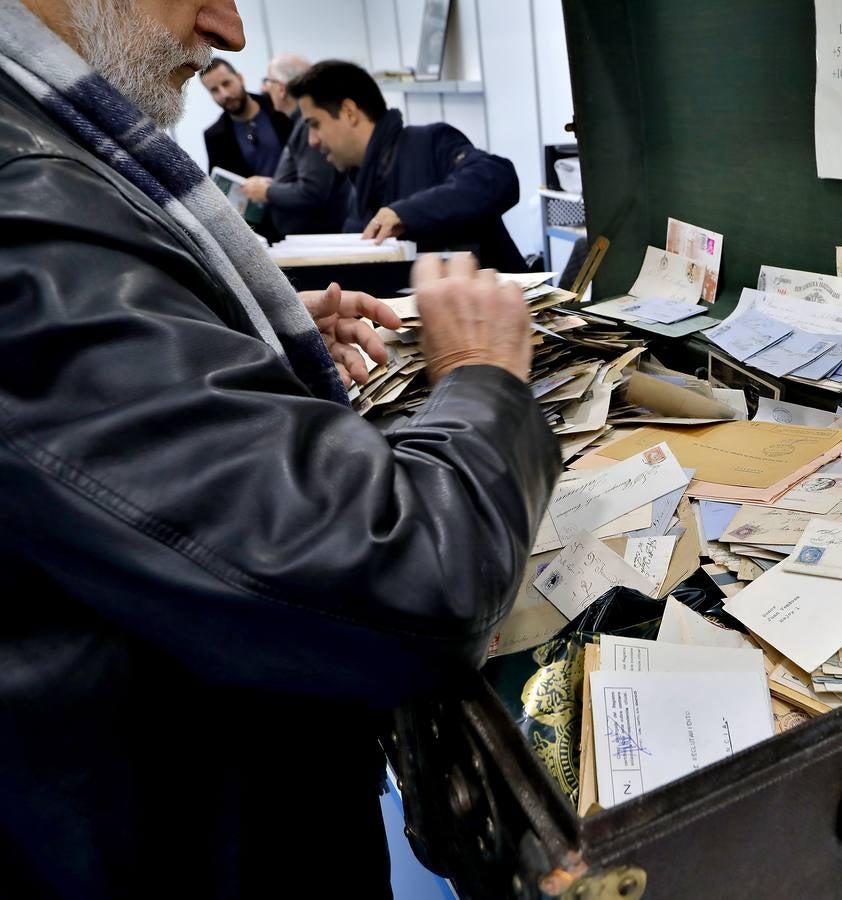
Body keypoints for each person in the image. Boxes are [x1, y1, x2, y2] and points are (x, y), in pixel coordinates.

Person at [0, 1, 558, 898]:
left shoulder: (41, 158)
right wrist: (483, 377)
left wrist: (236, 339)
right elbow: (422, 576)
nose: (229, 28)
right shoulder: (26, 200)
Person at [288, 60, 528, 272]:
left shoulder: (431, 142)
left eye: (314, 124)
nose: (312, 140)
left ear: (349, 112)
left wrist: (404, 213)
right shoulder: (357, 185)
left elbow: (498, 178)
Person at [241, 53, 350, 236]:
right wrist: (276, 185)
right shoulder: (302, 122)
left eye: (268, 81)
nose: (263, 88)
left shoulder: (309, 126)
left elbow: (312, 191)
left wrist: (267, 190)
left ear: (282, 89)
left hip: (316, 241)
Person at [200, 56, 292, 179]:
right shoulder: (215, 137)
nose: (224, 94)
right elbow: (222, 186)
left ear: (240, 79)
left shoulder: (279, 106)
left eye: (226, 83)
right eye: (214, 90)